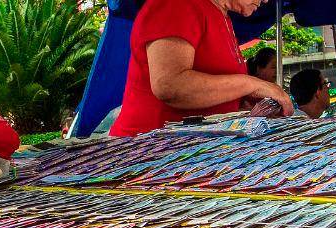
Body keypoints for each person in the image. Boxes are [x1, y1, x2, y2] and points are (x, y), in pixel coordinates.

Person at [110, 0, 290, 137]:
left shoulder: (221, 16)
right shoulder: (178, 4)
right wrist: (252, 85)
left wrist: (243, 103)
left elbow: (212, 86)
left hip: (190, 152)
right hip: (150, 152)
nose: (266, 0)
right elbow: (170, 85)